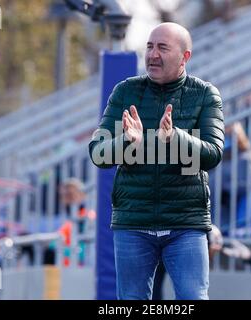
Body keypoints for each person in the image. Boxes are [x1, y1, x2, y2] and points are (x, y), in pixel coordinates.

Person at [88, 22, 224, 300]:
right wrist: (128, 142)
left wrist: (174, 137)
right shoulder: (125, 91)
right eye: (149, 46)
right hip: (133, 224)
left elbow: (213, 154)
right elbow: (98, 153)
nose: (152, 54)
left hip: (185, 223)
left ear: (185, 57)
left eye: (163, 47)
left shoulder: (205, 94)